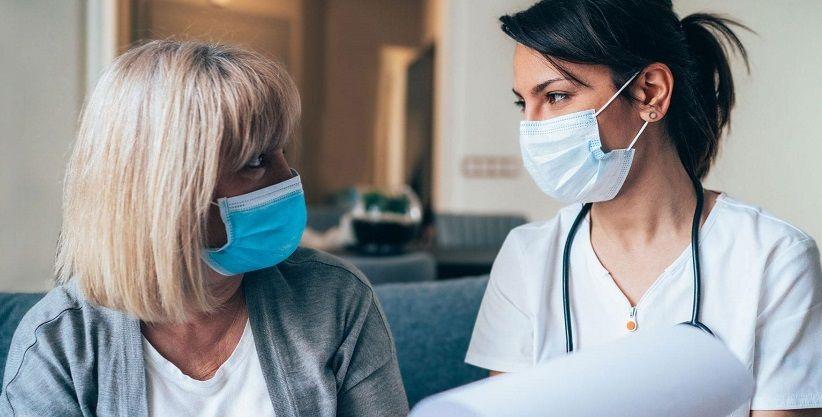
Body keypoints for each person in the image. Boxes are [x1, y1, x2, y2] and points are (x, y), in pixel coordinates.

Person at [0, 40, 408, 417]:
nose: (288, 179)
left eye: (282, 152)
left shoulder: (336, 300)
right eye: (255, 161)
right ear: (163, 193)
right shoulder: (58, 343)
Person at [465, 1, 822, 416]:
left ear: (650, 92)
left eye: (556, 96)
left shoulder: (774, 257)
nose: (533, 126)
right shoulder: (527, 257)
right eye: (522, 104)